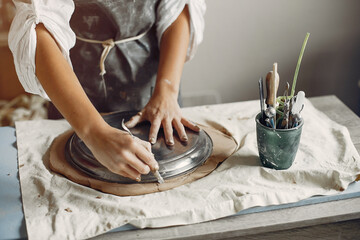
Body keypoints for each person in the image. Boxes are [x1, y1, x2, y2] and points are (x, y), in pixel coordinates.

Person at [9, 0, 206, 182]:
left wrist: (167, 90)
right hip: (73, 78)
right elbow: (37, 25)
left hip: (154, 73)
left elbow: (179, 5)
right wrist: (93, 132)